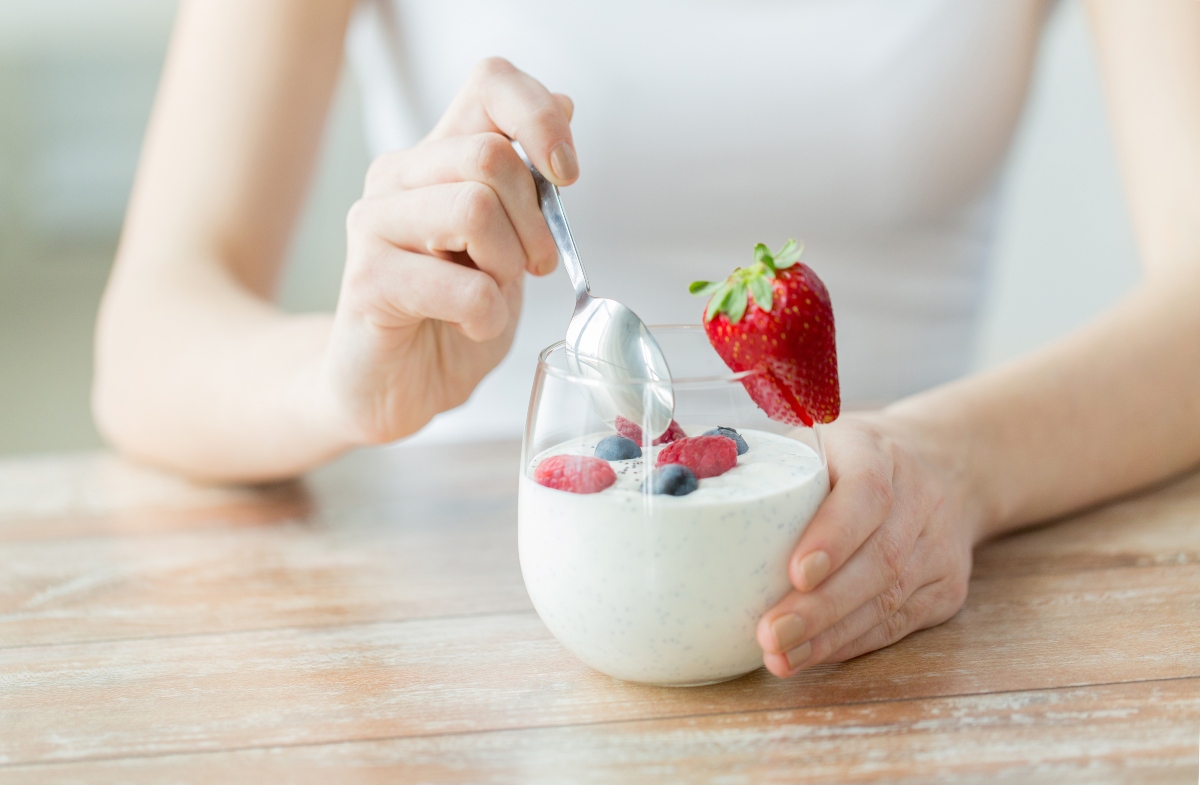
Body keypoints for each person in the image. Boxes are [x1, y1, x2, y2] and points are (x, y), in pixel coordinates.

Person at [93, 0, 1200, 679]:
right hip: (469, 640)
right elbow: (148, 334)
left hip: (899, 603)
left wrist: (959, 465)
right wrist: (340, 387)